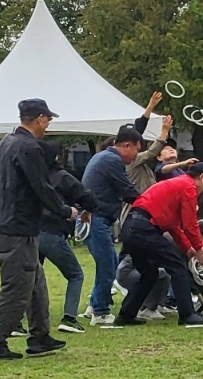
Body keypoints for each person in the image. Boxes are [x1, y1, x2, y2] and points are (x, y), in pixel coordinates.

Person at [0, 98, 74, 361]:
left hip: (9, 227)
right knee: (16, 289)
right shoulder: (29, 148)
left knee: (35, 284)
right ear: (39, 118)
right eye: (48, 119)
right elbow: (41, 187)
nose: (48, 124)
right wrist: (65, 211)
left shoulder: (6, 143)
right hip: (18, 230)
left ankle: (40, 337)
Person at [118, 163, 203, 326]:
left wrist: (188, 248)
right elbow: (190, 224)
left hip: (131, 226)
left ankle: (127, 313)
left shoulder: (176, 185)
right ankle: (187, 314)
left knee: (149, 274)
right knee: (177, 266)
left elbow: (174, 226)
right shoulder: (188, 186)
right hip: (145, 228)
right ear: (202, 178)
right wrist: (199, 248)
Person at [80, 126, 144, 326]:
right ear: (127, 145)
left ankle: (94, 304)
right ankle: (100, 311)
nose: (136, 156)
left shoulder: (103, 157)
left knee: (107, 262)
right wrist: (151, 202)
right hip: (95, 217)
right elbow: (127, 191)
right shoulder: (112, 160)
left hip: (94, 218)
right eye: (136, 150)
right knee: (108, 264)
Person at [37, 141, 99, 334]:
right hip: (52, 232)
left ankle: (16, 322)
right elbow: (88, 197)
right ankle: (69, 318)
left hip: (28, 233)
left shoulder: (32, 177)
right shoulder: (62, 177)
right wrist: (85, 209)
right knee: (75, 275)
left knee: (29, 277)